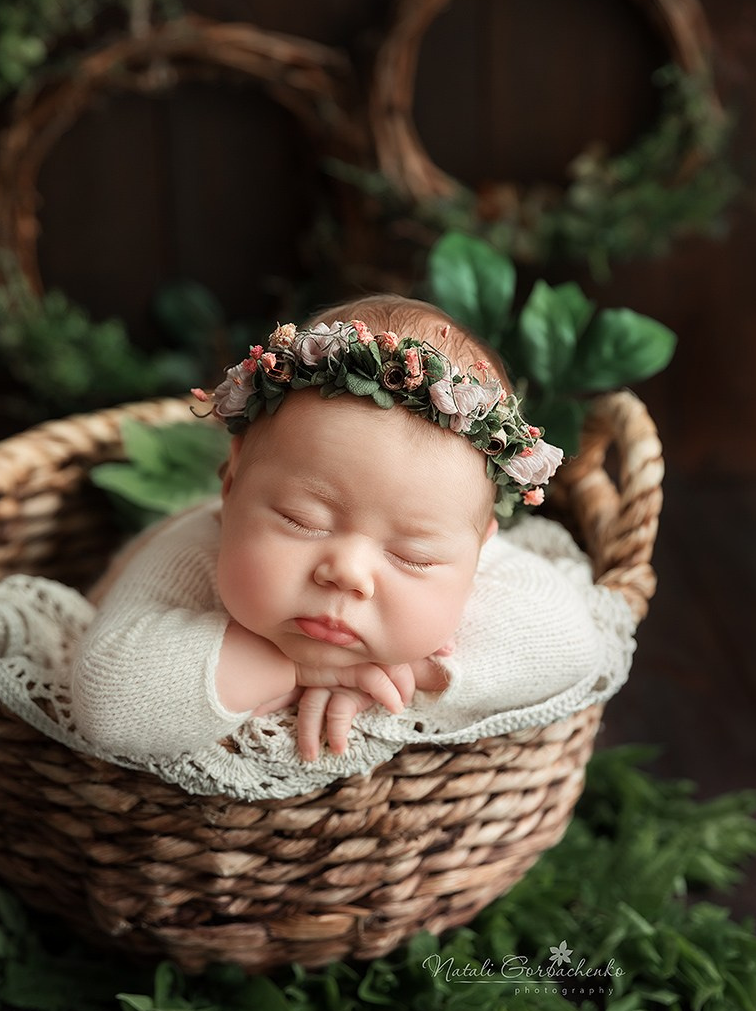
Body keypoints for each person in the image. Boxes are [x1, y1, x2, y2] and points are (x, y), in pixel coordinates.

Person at [70, 295, 633, 794]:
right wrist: (293, 669)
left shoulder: (453, 540)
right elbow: (109, 705)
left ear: (479, 551)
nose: (348, 573)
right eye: (301, 520)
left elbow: (572, 642)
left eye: (411, 557)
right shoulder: (193, 552)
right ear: (232, 483)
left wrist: (414, 669)